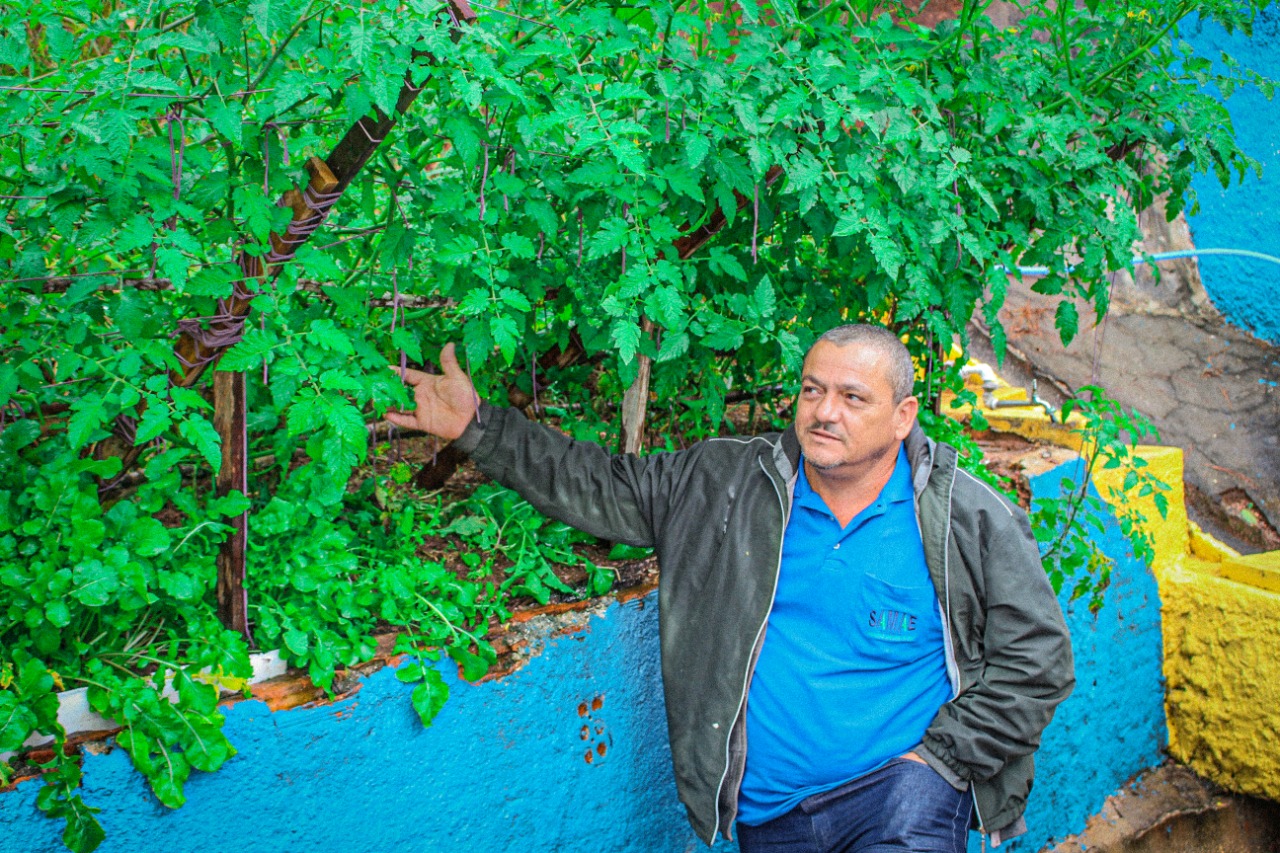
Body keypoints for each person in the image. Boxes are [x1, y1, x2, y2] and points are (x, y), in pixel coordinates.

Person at [385, 324, 1074, 853]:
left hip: (902, 794)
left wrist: (943, 757)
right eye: (812, 389)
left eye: (852, 396)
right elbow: (598, 486)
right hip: (768, 811)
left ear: (903, 416)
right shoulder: (724, 481)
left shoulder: (963, 514)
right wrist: (479, 428)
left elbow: (1038, 659)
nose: (824, 411)